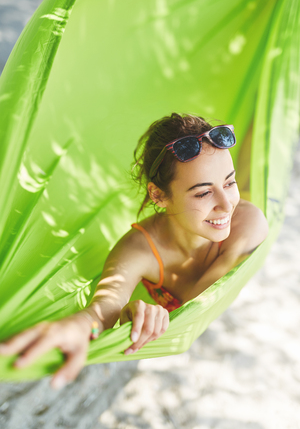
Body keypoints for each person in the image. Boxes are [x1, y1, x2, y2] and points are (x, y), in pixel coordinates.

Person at [0, 113, 268, 389]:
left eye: (229, 182)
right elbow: (101, 314)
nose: (226, 205)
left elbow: (199, 304)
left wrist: (141, 313)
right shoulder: (138, 249)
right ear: (158, 196)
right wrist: (81, 326)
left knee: (255, 157)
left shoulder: (248, 223)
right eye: (203, 193)